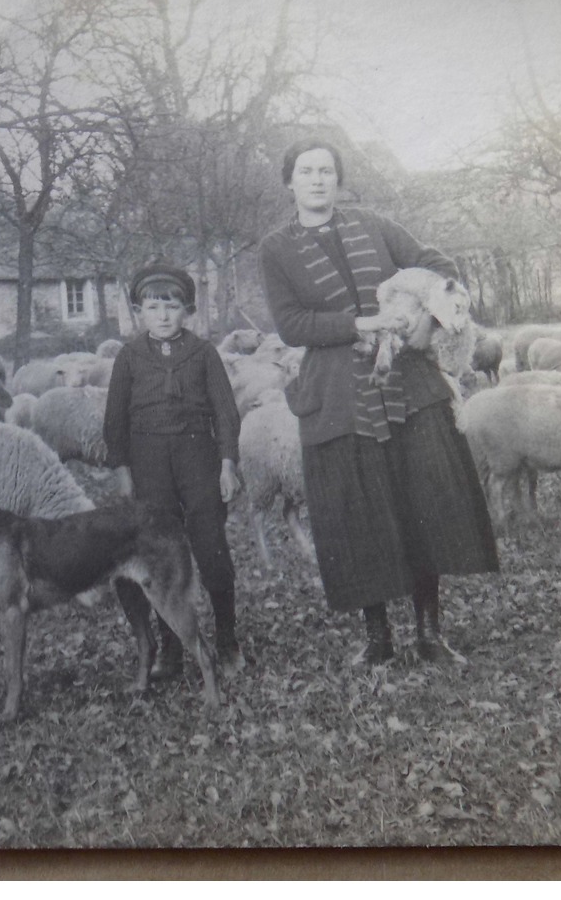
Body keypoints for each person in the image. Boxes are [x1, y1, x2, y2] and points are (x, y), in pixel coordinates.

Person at [259, 139, 498, 665]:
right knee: (359, 515)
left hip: (410, 388)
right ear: (289, 182)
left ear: (338, 179)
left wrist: (426, 319)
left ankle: (430, 633)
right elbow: (292, 324)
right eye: (306, 171)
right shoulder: (276, 249)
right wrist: (362, 322)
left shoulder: (375, 226)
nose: (318, 179)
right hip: (339, 396)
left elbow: (438, 264)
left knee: (423, 506)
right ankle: (377, 638)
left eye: (327, 170)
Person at [103, 265, 245, 678]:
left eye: (172, 307)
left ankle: (226, 638)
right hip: (148, 462)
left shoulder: (203, 353)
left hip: (197, 457)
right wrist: (123, 472)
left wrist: (227, 465)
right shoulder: (129, 357)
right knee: (159, 553)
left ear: (187, 310)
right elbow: (114, 422)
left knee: (210, 545)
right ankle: (171, 648)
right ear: (138, 311)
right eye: (153, 307)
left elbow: (226, 413)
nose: (163, 316)